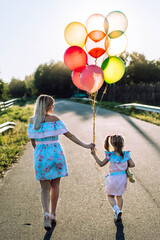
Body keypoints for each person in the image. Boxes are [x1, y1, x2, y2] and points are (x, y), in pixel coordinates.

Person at [28, 94, 95, 231]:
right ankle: (53, 214)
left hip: (40, 154)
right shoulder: (54, 119)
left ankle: (46, 214)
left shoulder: (32, 121)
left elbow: (33, 141)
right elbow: (70, 135)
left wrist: (39, 152)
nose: (53, 107)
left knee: (44, 187)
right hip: (55, 154)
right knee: (55, 185)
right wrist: (86, 145)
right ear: (48, 106)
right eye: (52, 105)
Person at [91, 134, 135, 222]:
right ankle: (119, 213)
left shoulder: (110, 155)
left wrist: (94, 155)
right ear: (122, 144)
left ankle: (116, 210)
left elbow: (101, 164)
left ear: (112, 144)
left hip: (113, 179)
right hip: (122, 178)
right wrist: (125, 165)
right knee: (119, 196)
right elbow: (133, 164)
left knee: (110, 196)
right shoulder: (126, 155)